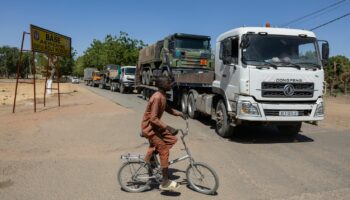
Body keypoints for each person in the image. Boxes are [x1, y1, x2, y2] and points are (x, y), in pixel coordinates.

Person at [141, 76, 186, 191]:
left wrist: (179, 114)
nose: (170, 84)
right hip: (150, 128)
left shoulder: (162, 96)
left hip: (155, 128)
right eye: (168, 83)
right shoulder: (157, 97)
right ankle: (165, 181)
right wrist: (169, 127)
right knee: (164, 150)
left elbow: (168, 109)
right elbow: (153, 119)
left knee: (172, 139)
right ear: (162, 85)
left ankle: (151, 157)